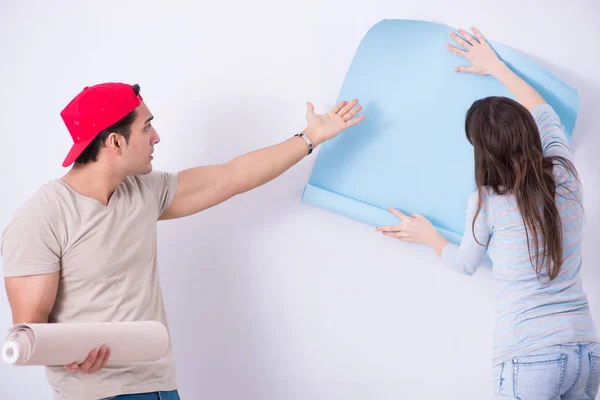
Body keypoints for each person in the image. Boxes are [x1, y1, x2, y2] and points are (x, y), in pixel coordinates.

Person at [1, 82, 364, 400]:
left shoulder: (143, 192)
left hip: (160, 386)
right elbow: (30, 331)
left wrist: (310, 137)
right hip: (100, 394)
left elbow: (232, 176)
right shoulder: (42, 216)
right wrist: (67, 353)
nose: (156, 137)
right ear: (115, 141)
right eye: (147, 127)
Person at [376, 27, 599, 399]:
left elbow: (465, 263)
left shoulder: (488, 201)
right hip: (586, 353)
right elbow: (540, 108)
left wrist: (427, 235)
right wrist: (495, 67)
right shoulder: (565, 169)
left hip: (529, 356)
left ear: (483, 152)